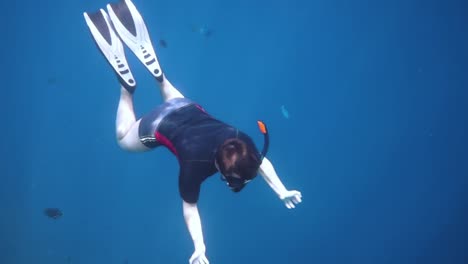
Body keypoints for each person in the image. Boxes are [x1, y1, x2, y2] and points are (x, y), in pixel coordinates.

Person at [83, 1, 302, 263]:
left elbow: (260, 163)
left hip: (184, 105)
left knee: (170, 93)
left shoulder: (242, 140)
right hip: (157, 125)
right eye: (234, 181)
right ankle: (126, 87)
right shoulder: (194, 167)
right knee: (122, 139)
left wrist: (281, 190)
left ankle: (159, 76)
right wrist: (200, 248)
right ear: (222, 171)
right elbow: (190, 210)